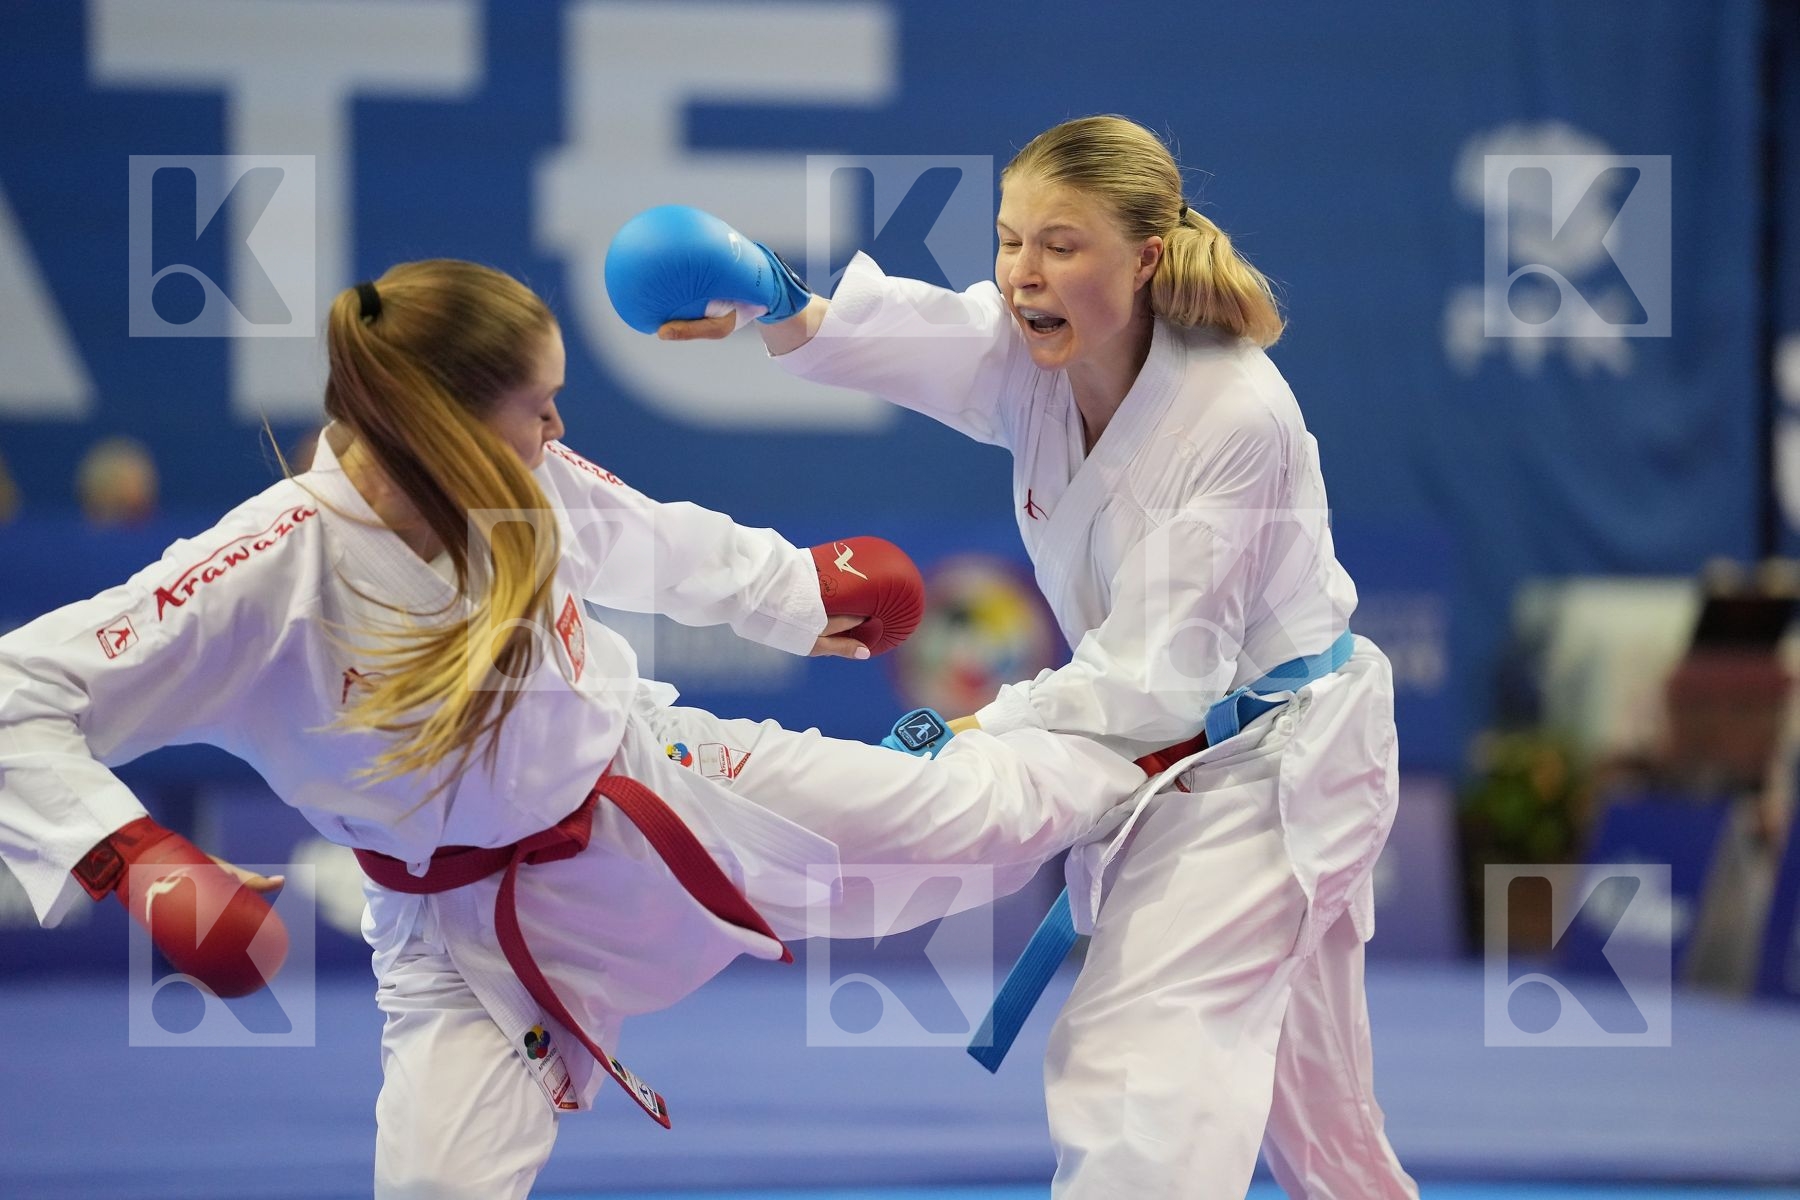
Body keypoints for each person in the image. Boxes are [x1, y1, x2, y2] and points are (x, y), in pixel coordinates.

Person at [0, 259, 1149, 1200]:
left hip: (659, 797)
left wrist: (799, 590)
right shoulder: (258, 576)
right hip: (465, 943)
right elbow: (18, 697)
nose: (557, 421)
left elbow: (651, 538)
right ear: (435, 420)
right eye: (534, 401)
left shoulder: (521, 468)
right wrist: (130, 856)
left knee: (987, 818)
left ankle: (1170, 745)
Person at [606, 115, 1418, 1198]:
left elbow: (1156, 678)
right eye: (1008, 239)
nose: (1023, 273)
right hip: (1181, 740)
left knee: (1144, 1056)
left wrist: (993, 726)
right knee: (1323, 1128)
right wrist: (770, 291)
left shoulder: (1235, 413)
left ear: (1145, 258)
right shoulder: (1029, 350)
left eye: (1060, 245)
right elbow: (907, 334)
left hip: (1273, 765)